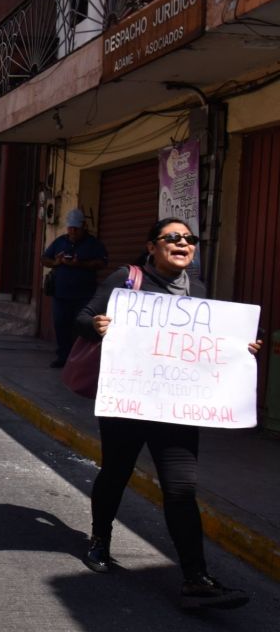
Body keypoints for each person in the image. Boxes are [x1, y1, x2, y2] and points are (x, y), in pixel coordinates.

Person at [75, 217, 263, 609]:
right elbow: (82, 317)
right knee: (116, 472)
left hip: (175, 408)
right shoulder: (126, 279)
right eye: (172, 237)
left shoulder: (199, 291)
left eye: (189, 239)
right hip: (128, 401)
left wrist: (239, 352)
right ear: (152, 246)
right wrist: (98, 324)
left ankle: (196, 577)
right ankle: (99, 539)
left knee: (180, 489)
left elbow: (207, 347)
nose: (183, 243)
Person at [41, 208, 107, 368]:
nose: (72, 231)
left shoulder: (93, 243)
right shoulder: (60, 241)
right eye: (70, 228)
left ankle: (80, 360)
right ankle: (63, 357)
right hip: (61, 295)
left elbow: (102, 263)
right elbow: (45, 259)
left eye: (76, 228)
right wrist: (56, 263)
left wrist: (81, 264)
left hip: (84, 296)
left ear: (83, 226)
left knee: (82, 328)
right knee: (61, 325)